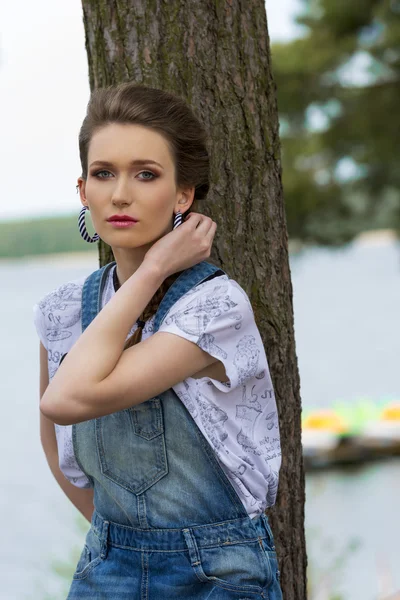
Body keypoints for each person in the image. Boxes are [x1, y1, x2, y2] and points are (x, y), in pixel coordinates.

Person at [33, 81, 283, 599]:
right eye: (104, 174)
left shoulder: (214, 309)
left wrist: (156, 270)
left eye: (146, 174)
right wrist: (120, 542)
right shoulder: (61, 312)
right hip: (107, 569)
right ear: (83, 191)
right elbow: (59, 452)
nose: (120, 194)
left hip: (216, 573)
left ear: (183, 195)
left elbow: (66, 399)